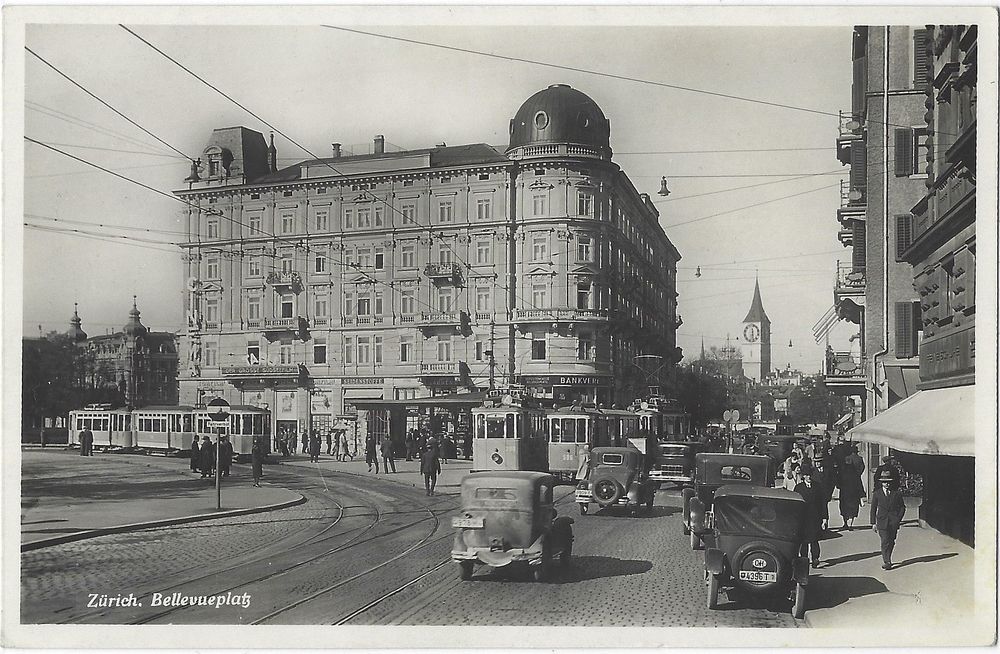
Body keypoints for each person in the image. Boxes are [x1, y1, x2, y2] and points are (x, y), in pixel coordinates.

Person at [870, 469, 906, 569]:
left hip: (893, 521)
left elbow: (902, 507)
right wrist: (873, 523)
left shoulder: (897, 493)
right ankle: (887, 561)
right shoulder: (877, 494)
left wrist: (898, 518)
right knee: (885, 540)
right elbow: (873, 508)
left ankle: (888, 557)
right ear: (881, 482)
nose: (887, 484)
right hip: (882, 521)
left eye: (889, 482)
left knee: (891, 541)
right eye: (885, 482)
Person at [794, 464, 825, 568]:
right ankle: (804, 560)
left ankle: (815, 558)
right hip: (803, 518)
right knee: (804, 541)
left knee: (814, 540)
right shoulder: (798, 488)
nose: (809, 477)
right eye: (807, 475)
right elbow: (796, 504)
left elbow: (822, 503)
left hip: (815, 517)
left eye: (810, 475)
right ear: (803, 476)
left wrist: (825, 518)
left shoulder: (818, 487)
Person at [837, 443, 866, 530]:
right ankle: (850, 524)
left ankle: (845, 523)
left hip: (844, 492)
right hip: (854, 488)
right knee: (853, 507)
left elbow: (838, 483)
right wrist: (858, 474)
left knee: (843, 507)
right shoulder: (860, 459)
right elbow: (862, 468)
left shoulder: (846, 460)